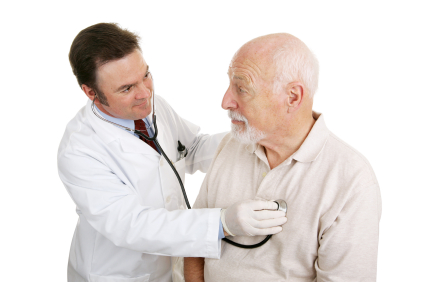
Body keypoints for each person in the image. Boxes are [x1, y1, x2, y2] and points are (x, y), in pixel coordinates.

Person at [57, 23, 287, 282]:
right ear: (91, 93)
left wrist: (250, 135)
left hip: (171, 266)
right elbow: (132, 226)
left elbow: (192, 149)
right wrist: (222, 223)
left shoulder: (149, 105)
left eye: (146, 75)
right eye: (126, 88)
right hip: (117, 274)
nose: (145, 93)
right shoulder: (79, 151)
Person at [184, 33, 382, 281]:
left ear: (293, 97)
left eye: (241, 88)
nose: (226, 101)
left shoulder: (351, 180)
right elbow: (194, 239)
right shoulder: (231, 145)